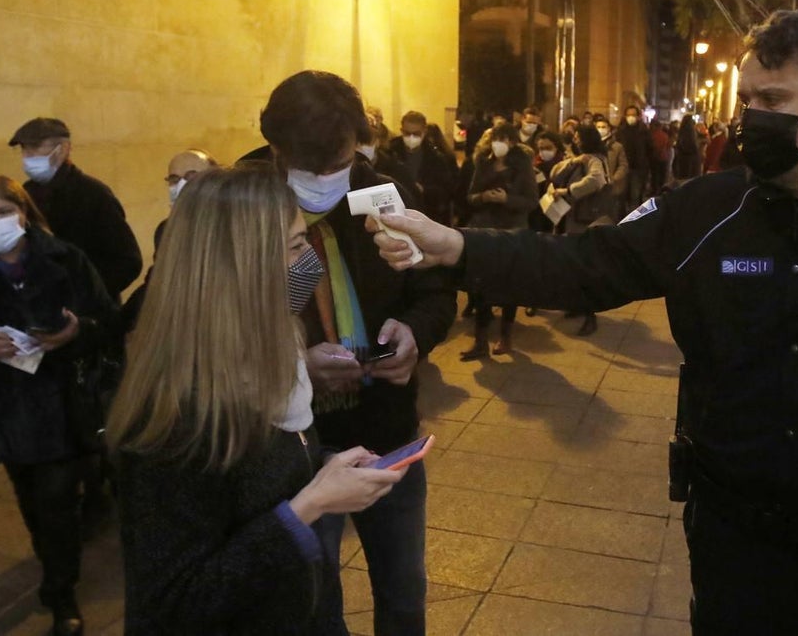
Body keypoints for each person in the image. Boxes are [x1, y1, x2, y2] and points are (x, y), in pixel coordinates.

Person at [365, 7, 798, 636]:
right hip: (737, 543)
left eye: (774, 98)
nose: (752, 117)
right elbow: (583, 264)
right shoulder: (705, 210)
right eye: (747, 98)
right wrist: (458, 247)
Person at [108, 165, 405, 635]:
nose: (312, 261)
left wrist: (325, 468)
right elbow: (174, 604)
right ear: (241, 265)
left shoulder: (271, 355)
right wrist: (309, 506)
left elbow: (265, 479)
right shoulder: (178, 417)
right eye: (296, 245)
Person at [259, 71, 456, 636]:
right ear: (275, 148)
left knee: (403, 590)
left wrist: (414, 334)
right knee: (312, 602)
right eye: (309, 166)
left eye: (339, 163)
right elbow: (219, 319)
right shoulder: (245, 201)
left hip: (383, 430)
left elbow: (435, 290)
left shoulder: (384, 194)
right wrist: (296, 363)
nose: (325, 180)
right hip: (289, 445)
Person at [0, 175, 118, 636]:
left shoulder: (67, 259)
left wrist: (76, 332)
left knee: (57, 500)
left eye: (3, 211)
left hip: (63, 402)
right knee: (31, 499)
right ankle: (52, 562)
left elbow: (107, 319)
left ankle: (62, 591)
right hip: (2, 409)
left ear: (24, 213)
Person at [8, 118, 143, 304]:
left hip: (88, 313)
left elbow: (127, 261)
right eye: (24, 149)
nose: (27, 156)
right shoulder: (26, 193)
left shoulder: (93, 194)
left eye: (35, 147)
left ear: (63, 149)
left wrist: (86, 295)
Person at [459, 122, 537, 359]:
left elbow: (531, 201)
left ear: (512, 142)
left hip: (511, 232)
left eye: (503, 139)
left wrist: (507, 200)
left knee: (508, 286)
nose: (498, 144)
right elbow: (470, 196)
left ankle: (506, 337)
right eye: (495, 138)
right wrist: (483, 196)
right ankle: (480, 341)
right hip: (484, 231)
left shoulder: (522, 166)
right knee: (481, 285)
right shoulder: (483, 162)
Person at [121, 149, 219, 333]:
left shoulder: (232, 228)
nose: (181, 185)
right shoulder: (166, 230)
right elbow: (156, 284)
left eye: (192, 177)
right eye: (174, 179)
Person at [547, 123, 615, 335]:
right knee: (573, 264)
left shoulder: (594, 159)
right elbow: (555, 172)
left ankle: (590, 315)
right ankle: (578, 306)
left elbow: (595, 181)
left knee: (583, 266)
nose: (576, 140)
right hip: (571, 217)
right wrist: (573, 161)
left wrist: (568, 191)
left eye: (579, 137)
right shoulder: (580, 158)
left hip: (583, 219)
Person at [386, 111, 457, 225]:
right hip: (394, 214)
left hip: (426, 214)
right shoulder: (390, 152)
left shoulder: (435, 157)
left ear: (424, 132)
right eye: (407, 133)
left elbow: (446, 190)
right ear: (401, 130)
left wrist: (424, 190)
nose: (411, 137)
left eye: (416, 133)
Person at [615, 104, 655, 208]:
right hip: (623, 168)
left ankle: (634, 216)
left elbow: (650, 149)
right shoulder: (620, 131)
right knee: (621, 196)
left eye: (633, 115)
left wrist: (647, 167)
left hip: (638, 169)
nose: (631, 117)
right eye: (628, 115)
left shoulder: (644, 131)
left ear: (638, 116)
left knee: (635, 196)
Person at [671, 114, 704, 182]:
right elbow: (694, 147)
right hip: (692, 161)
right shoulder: (693, 133)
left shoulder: (681, 133)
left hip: (682, 160)